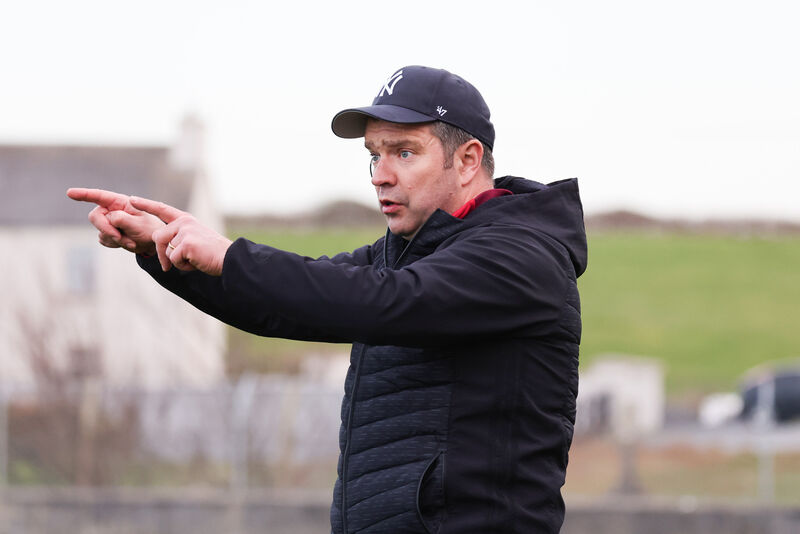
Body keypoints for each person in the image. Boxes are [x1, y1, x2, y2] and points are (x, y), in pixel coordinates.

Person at [68, 65, 587, 534]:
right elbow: (289, 303)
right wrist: (165, 249)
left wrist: (229, 255)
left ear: (468, 159)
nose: (381, 174)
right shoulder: (404, 255)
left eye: (404, 152)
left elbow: (380, 301)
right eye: (374, 155)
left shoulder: (520, 255)